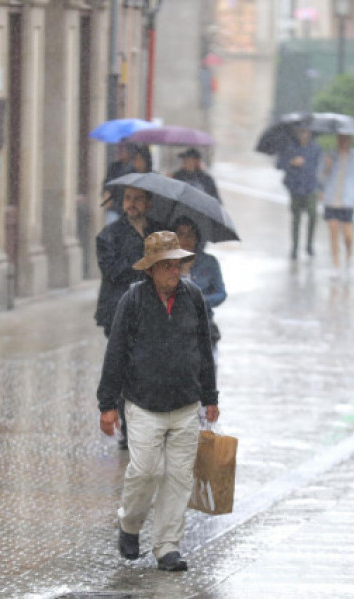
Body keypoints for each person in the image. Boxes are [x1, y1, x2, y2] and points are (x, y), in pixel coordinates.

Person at [97, 231, 220, 572]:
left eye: (177, 264)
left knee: (179, 477)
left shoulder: (193, 297)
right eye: (165, 265)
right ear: (150, 269)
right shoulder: (133, 300)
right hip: (143, 403)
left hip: (184, 404)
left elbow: (204, 350)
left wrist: (210, 396)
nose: (173, 271)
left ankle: (167, 545)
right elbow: (116, 353)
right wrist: (107, 404)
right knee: (146, 471)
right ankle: (130, 524)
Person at [94, 186, 162, 449]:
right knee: (123, 370)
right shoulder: (109, 236)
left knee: (151, 369)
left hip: (153, 313)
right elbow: (112, 272)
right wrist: (144, 263)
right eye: (128, 199)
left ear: (149, 202)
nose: (132, 204)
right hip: (119, 312)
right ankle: (128, 427)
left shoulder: (160, 232)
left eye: (138, 199)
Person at [172, 216, 226, 362]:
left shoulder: (209, 262)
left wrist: (200, 301)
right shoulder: (165, 264)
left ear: (197, 238)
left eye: (190, 235)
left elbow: (221, 293)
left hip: (203, 327)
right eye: (180, 234)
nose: (185, 240)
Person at [318, 133, 354, 275]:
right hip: (331, 200)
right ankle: (335, 263)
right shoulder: (329, 156)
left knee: (347, 235)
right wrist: (327, 167)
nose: (342, 142)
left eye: (345, 139)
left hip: (347, 201)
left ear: (350, 140)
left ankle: (348, 257)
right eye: (340, 138)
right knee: (333, 232)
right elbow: (320, 179)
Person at [276, 123, 322, 259]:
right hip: (295, 187)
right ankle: (294, 247)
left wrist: (321, 188)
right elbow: (279, 164)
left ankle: (309, 244)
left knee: (313, 215)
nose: (303, 133)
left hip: (310, 187)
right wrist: (291, 162)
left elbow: (319, 168)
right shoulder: (290, 147)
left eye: (306, 131)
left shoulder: (315, 148)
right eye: (301, 131)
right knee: (296, 219)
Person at [101, 142, 135, 224]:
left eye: (122, 150)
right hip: (115, 207)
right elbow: (107, 183)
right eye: (119, 150)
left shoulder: (133, 169)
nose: (119, 152)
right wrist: (106, 193)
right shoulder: (114, 167)